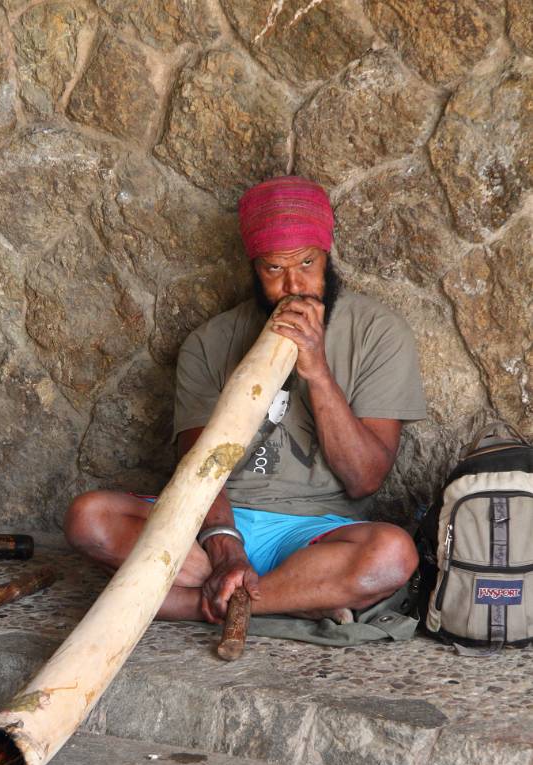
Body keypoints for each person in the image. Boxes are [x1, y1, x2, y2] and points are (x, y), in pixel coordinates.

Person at [64, 176, 426, 625]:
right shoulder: (210, 342)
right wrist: (225, 544)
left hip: (314, 535)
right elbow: (199, 469)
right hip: (213, 528)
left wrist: (317, 372)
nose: (294, 286)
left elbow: (365, 479)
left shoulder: (378, 333)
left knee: (391, 556)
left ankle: (192, 604)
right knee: (89, 517)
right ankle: (295, 598)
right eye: (274, 269)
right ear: (254, 268)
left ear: (327, 257)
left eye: (307, 263)